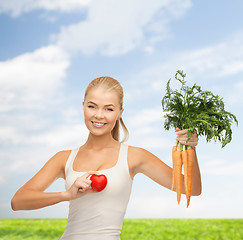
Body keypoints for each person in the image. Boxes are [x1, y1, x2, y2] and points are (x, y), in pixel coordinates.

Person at [11, 76, 201, 240]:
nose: (99, 115)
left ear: (119, 113)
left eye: (109, 109)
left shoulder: (135, 157)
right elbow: (18, 201)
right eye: (92, 106)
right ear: (83, 107)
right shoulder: (63, 158)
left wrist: (190, 149)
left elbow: (192, 190)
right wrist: (66, 195)